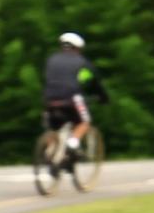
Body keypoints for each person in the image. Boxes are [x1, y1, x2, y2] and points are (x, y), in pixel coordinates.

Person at [41, 32, 109, 172]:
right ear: (78, 48)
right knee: (84, 122)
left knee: (53, 128)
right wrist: (102, 97)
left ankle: (50, 152)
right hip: (72, 98)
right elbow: (92, 81)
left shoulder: (51, 60)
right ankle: (72, 144)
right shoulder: (82, 62)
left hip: (50, 99)